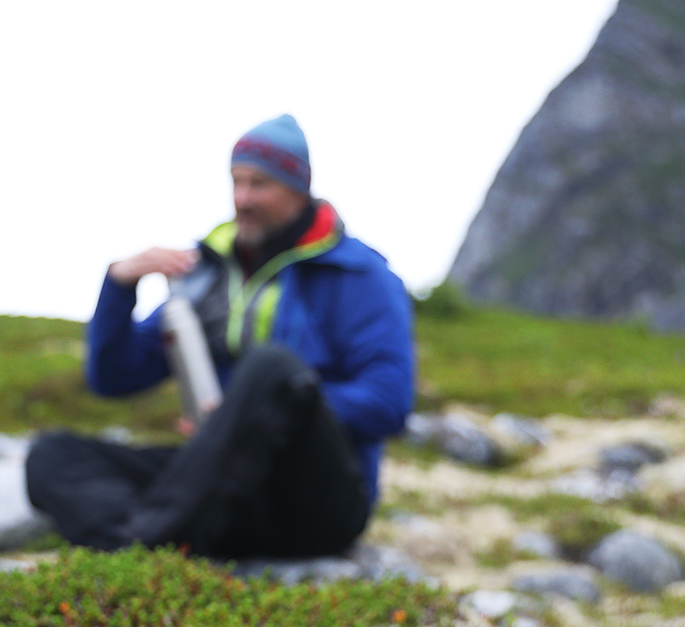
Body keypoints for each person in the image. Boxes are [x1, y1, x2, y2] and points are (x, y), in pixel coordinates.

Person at [27, 115, 414, 560]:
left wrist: (243, 415)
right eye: (236, 182)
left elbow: (389, 402)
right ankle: (147, 546)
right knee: (52, 455)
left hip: (313, 503)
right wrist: (119, 285)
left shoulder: (359, 275)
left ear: (299, 187)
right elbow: (113, 378)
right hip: (222, 490)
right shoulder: (207, 275)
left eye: (260, 184)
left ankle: (145, 548)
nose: (242, 199)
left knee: (272, 369)